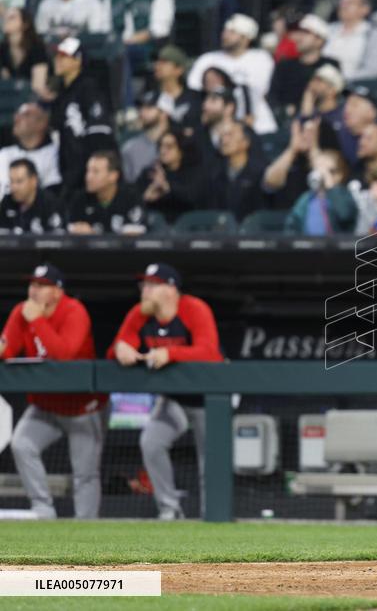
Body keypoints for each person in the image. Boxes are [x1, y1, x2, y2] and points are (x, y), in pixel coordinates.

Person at [109, 263, 223, 519]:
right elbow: (118, 346)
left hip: (209, 397)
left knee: (211, 459)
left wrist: (170, 353)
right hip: (173, 398)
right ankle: (169, 510)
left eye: (152, 285)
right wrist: (120, 349)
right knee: (151, 442)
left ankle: (213, 515)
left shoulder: (194, 309)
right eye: (143, 285)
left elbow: (209, 353)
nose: (144, 290)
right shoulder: (140, 313)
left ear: (171, 289)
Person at [2, 263, 106, 519]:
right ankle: (43, 509)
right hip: (45, 405)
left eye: (42, 286)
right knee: (22, 444)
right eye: (32, 284)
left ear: (58, 291)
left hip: (83, 407)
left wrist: (36, 320)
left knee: (85, 472)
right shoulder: (21, 312)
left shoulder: (74, 311)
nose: (34, 290)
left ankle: (86, 527)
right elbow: (7, 349)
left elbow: (64, 356)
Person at [48, 37, 117, 202]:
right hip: (70, 172)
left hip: (86, 174)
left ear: (78, 60)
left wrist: (89, 173)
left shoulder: (89, 88)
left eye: (64, 56)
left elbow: (100, 134)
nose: (57, 60)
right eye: (57, 56)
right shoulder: (63, 94)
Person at [187, 13, 277, 135]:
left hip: (259, 126)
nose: (225, 35)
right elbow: (195, 94)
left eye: (232, 32)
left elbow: (265, 92)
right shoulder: (207, 59)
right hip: (217, 129)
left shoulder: (261, 59)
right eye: (225, 30)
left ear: (246, 38)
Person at [268, 14, 339, 118]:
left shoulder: (330, 65)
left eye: (305, 33)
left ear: (319, 40)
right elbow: (273, 98)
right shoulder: (284, 65)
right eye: (299, 32)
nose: (298, 37)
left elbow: (332, 99)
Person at [68, 151, 146, 235]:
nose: (88, 177)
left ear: (113, 176)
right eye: (88, 171)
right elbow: (71, 231)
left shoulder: (131, 198)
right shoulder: (80, 199)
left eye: (95, 171)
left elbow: (134, 236)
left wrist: (93, 236)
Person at [141, 128, 208, 224]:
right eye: (161, 146)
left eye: (169, 147)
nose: (163, 151)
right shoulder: (151, 174)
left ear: (181, 150)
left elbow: (193, 197)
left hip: (189, 229)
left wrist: (167, 187)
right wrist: (146, 197)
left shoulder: (195, 173)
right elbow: (134, 202)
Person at [284, 149, 357, 235]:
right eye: (317, 169)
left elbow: (345, 214)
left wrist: (331, 186)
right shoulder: (307, 198)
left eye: (329, 171)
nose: (322, 173)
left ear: (339, 175)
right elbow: (292, 224)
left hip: (335, 246)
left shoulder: (344, 195)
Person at [322, 0, 377, 82]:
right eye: (342, 2)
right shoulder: (328, 30)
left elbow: (373, 70)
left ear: (365, 9)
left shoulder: (372, 34)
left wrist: (339, 79)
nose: (343, 5)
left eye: (350, 2)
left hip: (350, 86)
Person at [0, 103, 62, 197]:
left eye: (26, 114)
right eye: (17, 114)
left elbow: (51, 197)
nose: (17, 118)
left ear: (42, 123)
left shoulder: (53, 155)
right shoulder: (4, 153)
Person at [214, 121, 266, 220]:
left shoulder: (260, 171)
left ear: (245, 142)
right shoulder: (216, 172)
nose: (224, 140)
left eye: (230, 135)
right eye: (223, 135)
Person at [0, 158, 65, 234]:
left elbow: (59, 239)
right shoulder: (7, 202)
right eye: (12, 181)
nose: (14, 187)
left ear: (34, 180)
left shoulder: (51, 203)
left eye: (19, 181)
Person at [0, 7, 51, 99]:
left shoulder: (37, 48)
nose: (6, 20)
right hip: (10, 97)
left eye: (12, 17)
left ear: (25, 24)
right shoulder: (3, 49)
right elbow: (5, 80)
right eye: (5, 17)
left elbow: (39, 85)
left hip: (32, 98)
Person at [122, 91, 171, 184]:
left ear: (164, 113)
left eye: (149, 107)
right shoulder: (130, 148)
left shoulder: (180, 143)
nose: (142, 112)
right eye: (140, 107)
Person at [152, 45, 201, 131]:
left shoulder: (195, 98)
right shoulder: (150, 99)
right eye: (157, 61)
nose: (157, 65)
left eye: (164, 62)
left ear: (179, 70)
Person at [34, 0, 109, 37]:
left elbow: (95, 36)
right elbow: (40, 34)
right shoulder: (46, 3)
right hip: (53, 51)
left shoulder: (92, 2)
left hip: (84, 52)